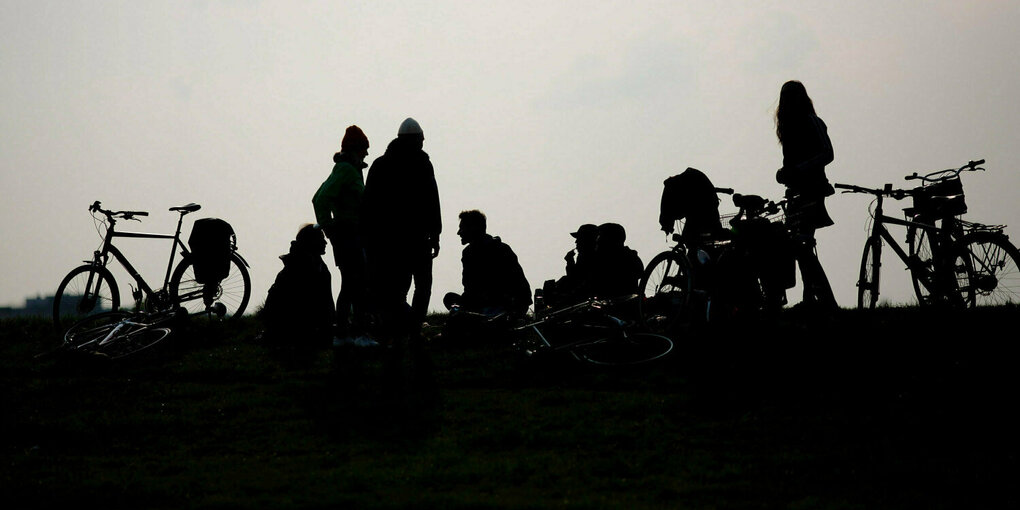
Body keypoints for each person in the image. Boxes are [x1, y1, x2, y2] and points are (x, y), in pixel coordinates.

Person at [361, 118, 442, 337]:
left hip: (389, 241)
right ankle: (413, 327)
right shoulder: (423, 164)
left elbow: (368, 206)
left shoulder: (380, 165)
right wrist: (435, 234)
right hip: (415, 238)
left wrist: (369, 239)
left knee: (397, 288)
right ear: (416, 139)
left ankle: (397, 328)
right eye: (421, 139)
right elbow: (432, 200)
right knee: (421, 285)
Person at [774, 80, 838, 312]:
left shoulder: (813, 122)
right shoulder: (788, 127)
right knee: (799, 246)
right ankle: (812, 298)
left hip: (812, 190)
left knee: (802, 244)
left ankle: (819, 299)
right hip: (795, 193)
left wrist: (799, 170)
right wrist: (783, 173)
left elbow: (828, 153)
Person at [312, 125, 377, 347]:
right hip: (349, 235)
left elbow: (318, 196)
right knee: (357, 284)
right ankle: (357, 334)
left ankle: (344, 334)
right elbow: (320, 199)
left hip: (350, 234)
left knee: (350, 285)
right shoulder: (346, 170)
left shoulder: (348, 169)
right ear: (356, 149)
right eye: (364, 149)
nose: (367, 153)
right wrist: (330, 229)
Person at [260, 224, 336, 362]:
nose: (325, 242)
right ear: (311, 242)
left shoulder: (309, 263)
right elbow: (312, 304)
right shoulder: (305, 267)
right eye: (321, 239)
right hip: (291, 327)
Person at [444, 210, 531, 319]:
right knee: (450, 298)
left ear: (473, 228)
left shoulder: (496, 250)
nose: (459, 232)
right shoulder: (471, 252)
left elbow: (473, 288)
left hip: (504, 305)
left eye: (462, 228)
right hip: (490, 303)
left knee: (456, 305)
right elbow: (470, 288)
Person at [539, 223, 598, 311]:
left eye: (579, 239)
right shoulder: (583, 256)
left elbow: (576, 280)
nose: (576, 242)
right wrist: (570, 262)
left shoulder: (592, 258)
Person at [588, 222, 644, 299]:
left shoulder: (627, 257)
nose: (597, 240)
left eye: (600, 236)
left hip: (623, 304)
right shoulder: (602, 259)